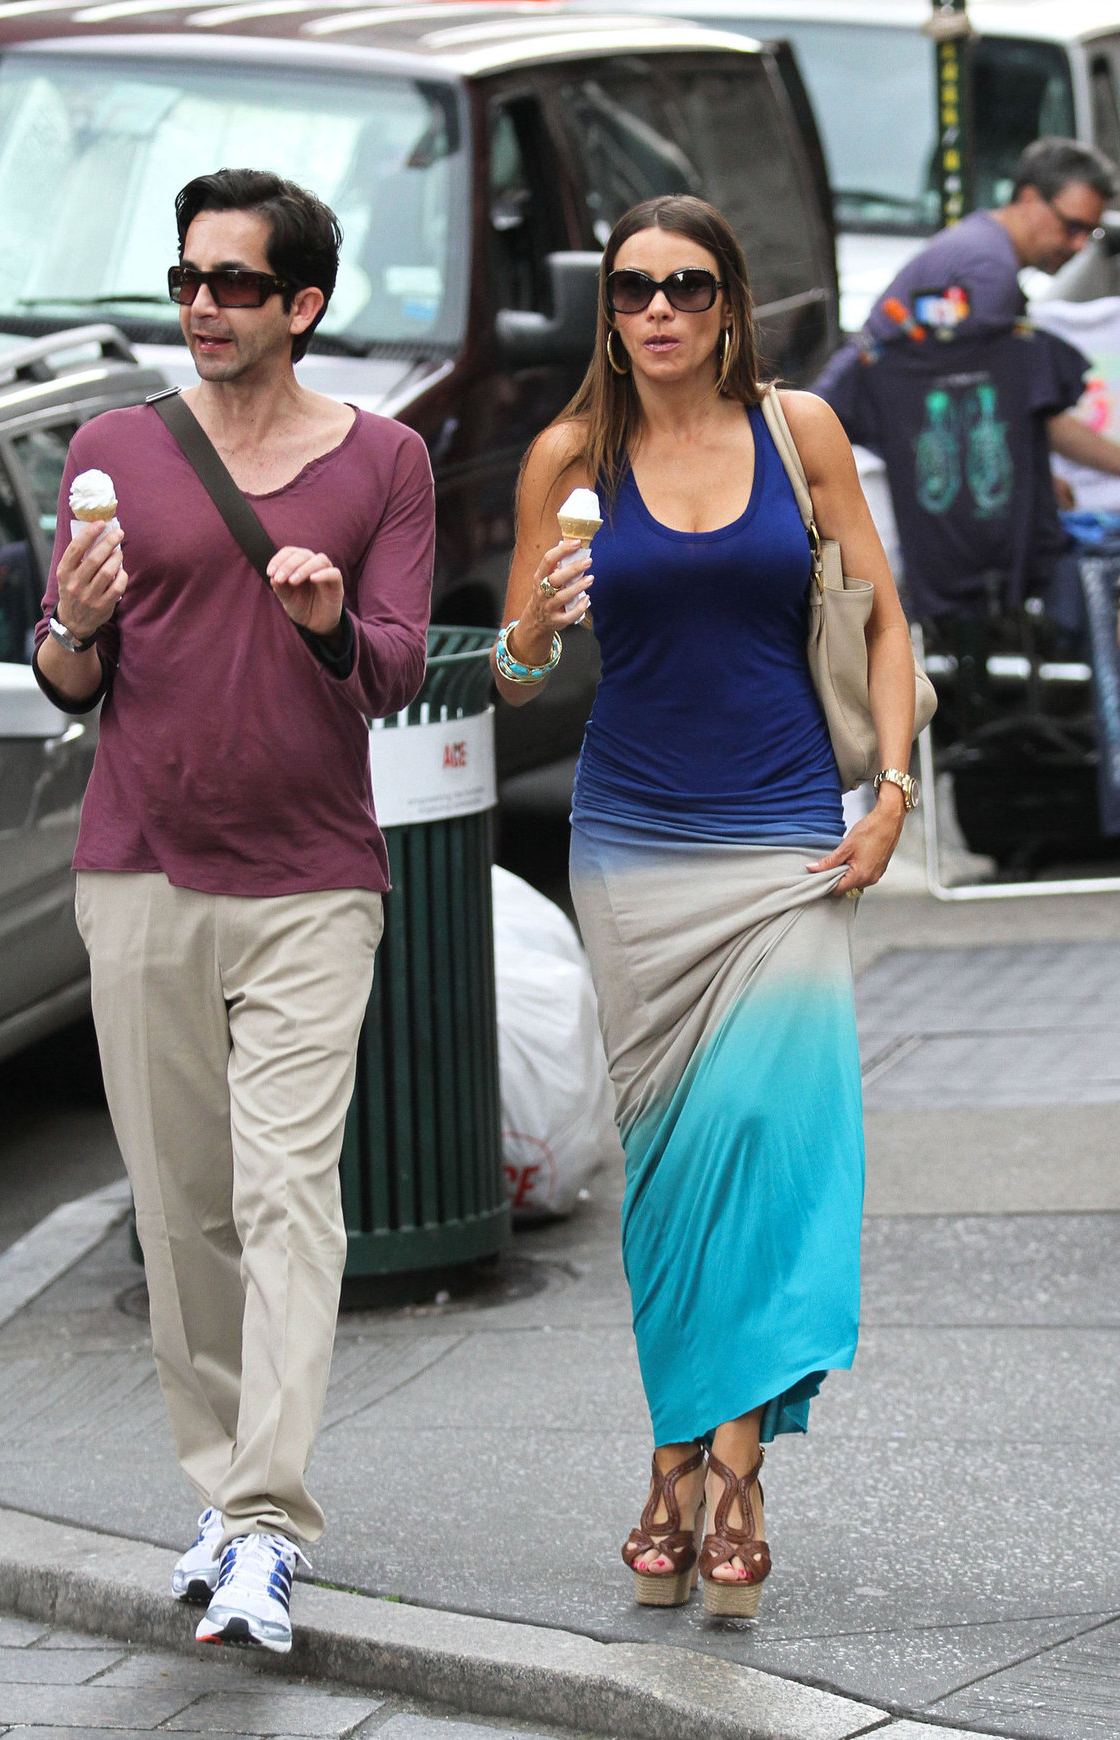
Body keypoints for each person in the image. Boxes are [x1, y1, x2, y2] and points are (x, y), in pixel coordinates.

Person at [496, 194, 917, 1615]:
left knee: (778, 1145)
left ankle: (723, 1469)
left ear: (730, 302)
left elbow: (875, 612)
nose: (658, 312)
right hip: (632, 850)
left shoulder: (799, 436)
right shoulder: (571, 455)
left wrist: (895, 797)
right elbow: (513, 672)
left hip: (790, 834)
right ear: (605, 313)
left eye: (685, 286)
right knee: (674, 1172)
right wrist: (539, 624)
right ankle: (684, 1460)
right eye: (629, 291)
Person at [32, 168, 434, 1652]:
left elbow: (396, 665)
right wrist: (71, 622)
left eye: (237, 284)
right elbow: (71, 675)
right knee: (184, 1209)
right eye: (189, 279)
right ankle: (219, 1492)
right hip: (136, 865)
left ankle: (267, 1521)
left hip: (311, 879)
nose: (203, 304)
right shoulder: (113, 449)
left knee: (287, 1202)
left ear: (303, 305)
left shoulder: (383, 460)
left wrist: (332, 625)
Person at [818, 137, 1120, 495]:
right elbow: (991, 408)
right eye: (1072, 227)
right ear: (1028, 197)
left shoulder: (982, 245)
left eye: (1091, 232)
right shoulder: (989, 273)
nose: (1079, 246)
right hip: (860, 460)